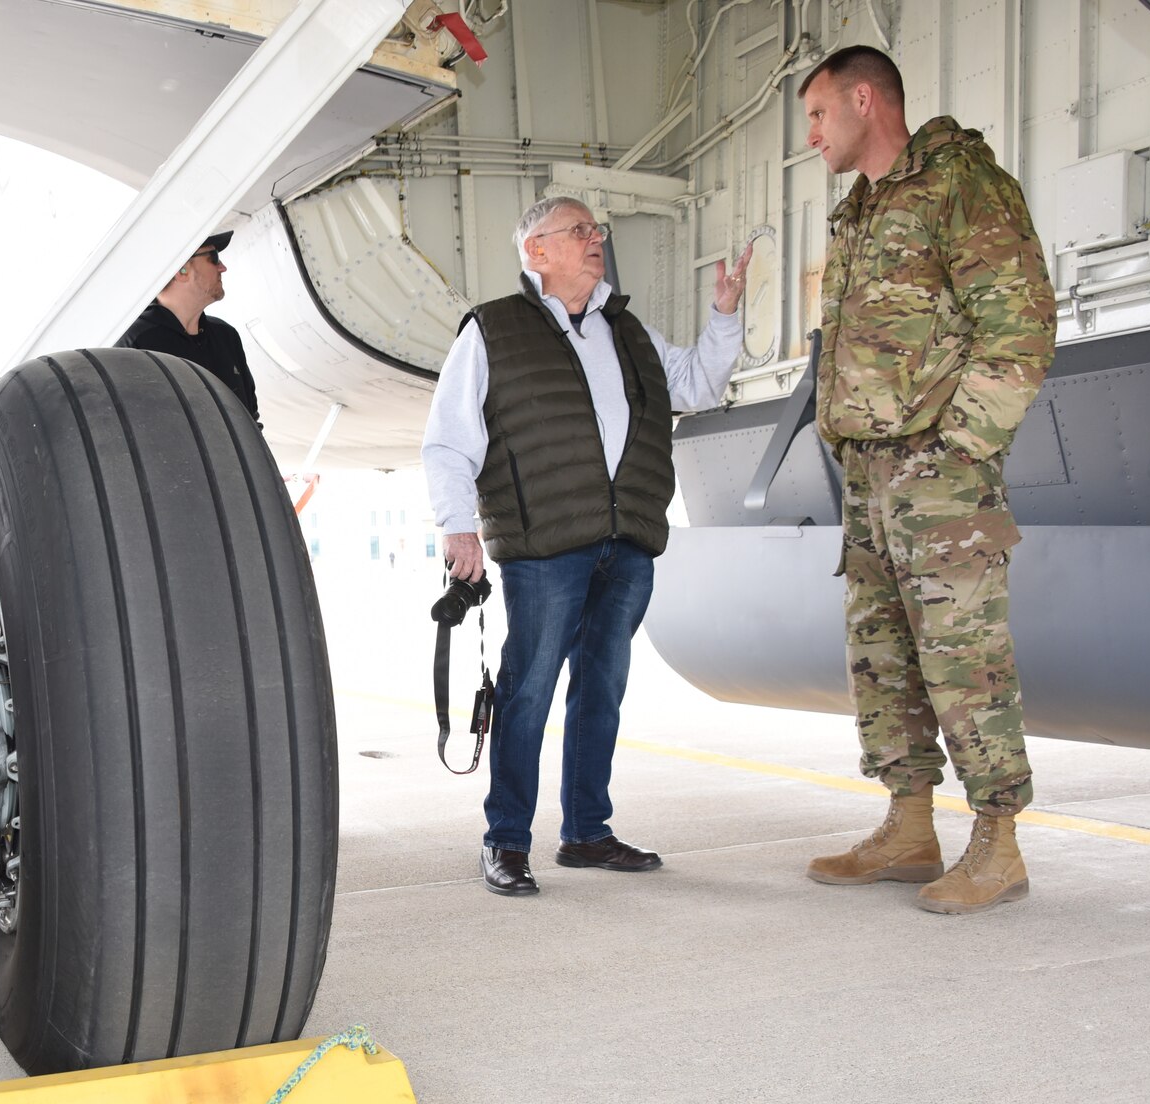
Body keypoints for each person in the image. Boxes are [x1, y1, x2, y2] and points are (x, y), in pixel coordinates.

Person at [423, 196, 750, 897]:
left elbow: (694, 383)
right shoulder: (493, 329)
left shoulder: (624, 328)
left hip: (625, 541)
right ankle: (507, 840)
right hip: (545, 546)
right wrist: (458, 526)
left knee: (601, 688)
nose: (595, 240)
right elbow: (449, 437)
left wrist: (724, 315)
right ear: (536, 250)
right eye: (579, 231)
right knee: (529, 688)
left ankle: (587, 832)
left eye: (594, 230)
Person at [796, 45, 1057, 914]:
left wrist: (959, 448)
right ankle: (910, 825)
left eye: (819, 114)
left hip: (936, 472)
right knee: (883, 656)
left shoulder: (960, 183)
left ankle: (1000, 844)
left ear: (866, 100)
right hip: (869, 475)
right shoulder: (859, 211)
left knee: (964, 658)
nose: (812, 135)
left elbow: (1020, 324)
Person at [116, 231, 263, 428]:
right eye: (213, 258)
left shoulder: (226, 336)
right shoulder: (135, 346)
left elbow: (250, 421)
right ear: (182, 271)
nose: (222, 267)